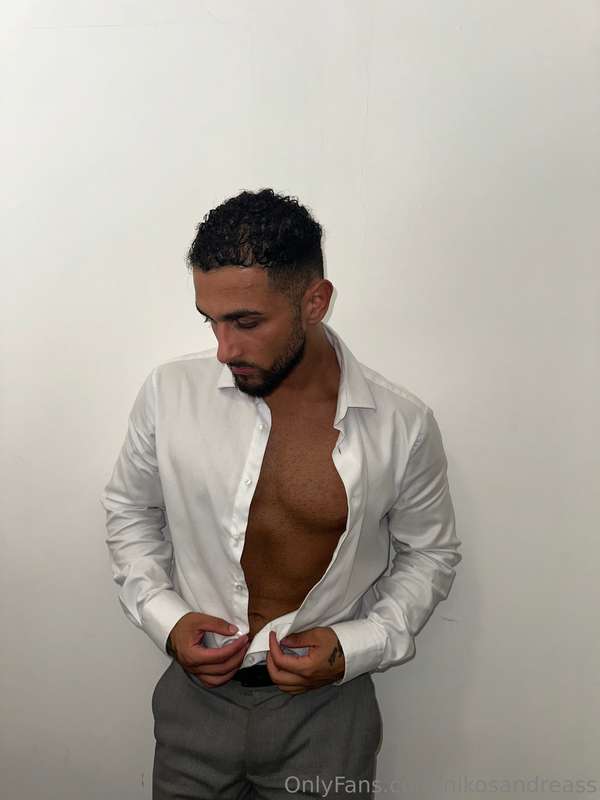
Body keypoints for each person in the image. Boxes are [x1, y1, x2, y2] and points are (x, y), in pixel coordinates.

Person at [100, 188, 462, 799]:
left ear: (315, 302)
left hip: (327, 715)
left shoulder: (401, 425)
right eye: (211, 321)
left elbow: (430, 553)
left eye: (246, 323)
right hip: (193, 704)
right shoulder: (169, 394)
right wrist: (166, 618)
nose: (225, 349)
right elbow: (130, 511)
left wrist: (358, 645)